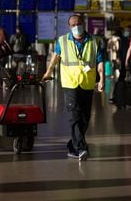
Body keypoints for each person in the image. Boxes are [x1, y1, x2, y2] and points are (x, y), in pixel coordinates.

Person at [41, 14, 104, 161]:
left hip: (87, 84)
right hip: (70, 84)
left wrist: (102, 80)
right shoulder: (62, 41)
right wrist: (48, 73)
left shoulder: (94, 41)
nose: (77, 27)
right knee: (74, 116)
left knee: (85, 118)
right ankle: (81, 148)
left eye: (79, 23)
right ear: (70, 27)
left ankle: (72, 145)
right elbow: (55, 58)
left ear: (84, 24)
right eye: (73, 24)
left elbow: (100, 61)